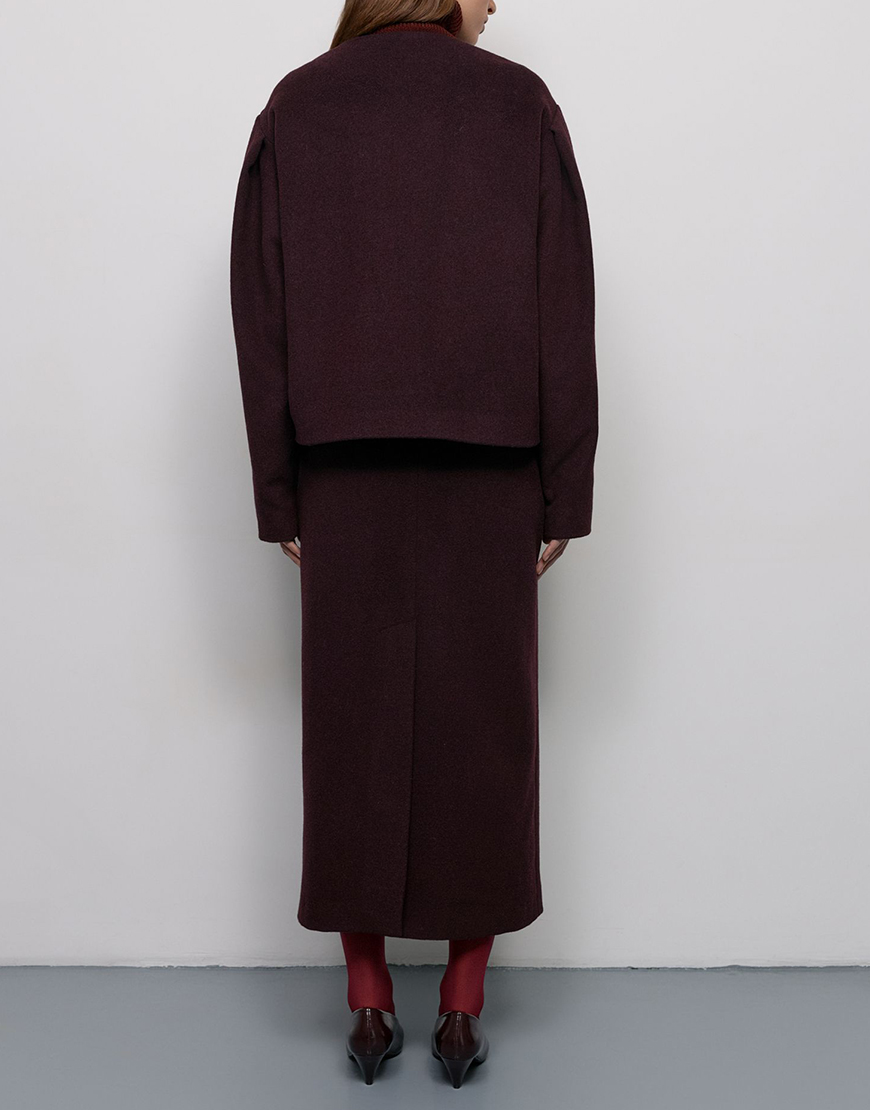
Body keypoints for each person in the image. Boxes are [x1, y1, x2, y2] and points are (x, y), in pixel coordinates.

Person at [230, 0, 598, 1087]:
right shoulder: (519, 104)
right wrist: (564, 488)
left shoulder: (298, 105)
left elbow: (262, 312)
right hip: (492, 466)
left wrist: (280, 491)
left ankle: (368, 1003)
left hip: (342, 467)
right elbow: (564, 302)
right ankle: (464, 1008)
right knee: (487, 729)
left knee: (350, 723)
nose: (497, 4)